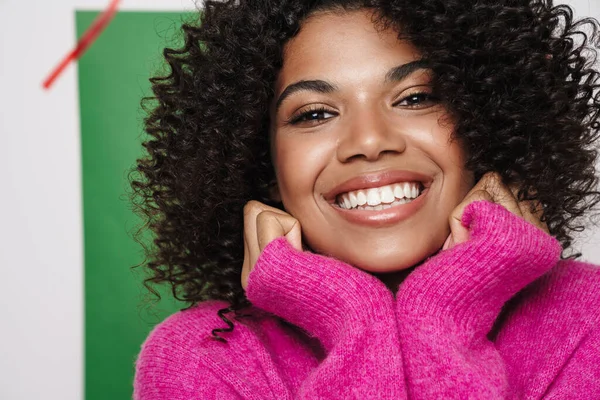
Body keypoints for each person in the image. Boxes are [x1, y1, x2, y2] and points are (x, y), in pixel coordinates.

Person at [131, 0, 600, 398]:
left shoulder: (588, 320)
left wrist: (447, 306)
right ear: (263, 163)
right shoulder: (205, 357)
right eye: (314, 113)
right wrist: (349, 316)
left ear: (486, 126)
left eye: (416, 98)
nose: (370, 141)